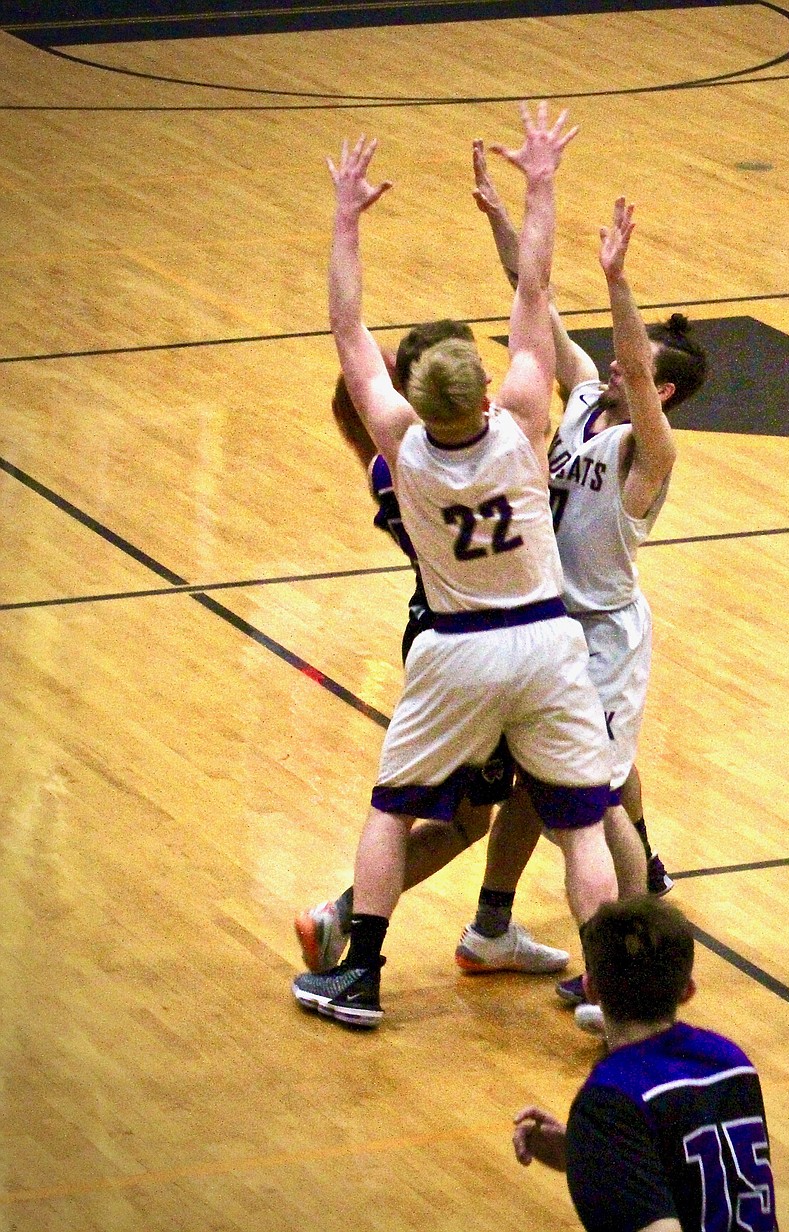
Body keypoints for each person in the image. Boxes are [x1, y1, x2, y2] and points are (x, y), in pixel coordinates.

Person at [292, 102, 618, 1028]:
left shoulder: (398, 448)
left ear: (412, 399)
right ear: (486, 388)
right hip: (548, 638)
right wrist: (540, 183)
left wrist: (348, 217)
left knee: (394, 809)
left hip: (458, 646)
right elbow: (536, 293)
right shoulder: (523, 418)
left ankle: (358, 977)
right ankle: (604, 986)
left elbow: (348, 330)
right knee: (580, 825)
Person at [470, 148, 709, 1031]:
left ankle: (630, 970)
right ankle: (501, 927)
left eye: (632, 359)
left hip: (604, 635)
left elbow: (635, 368)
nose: (614, 362)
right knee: (565, 787)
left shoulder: (651, 451)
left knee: (595, 800)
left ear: (664, 387)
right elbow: (531, 298)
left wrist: (619, 278)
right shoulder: (578, 402)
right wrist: (503, 216)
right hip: (550, 626)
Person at [293, 321, 562, 979]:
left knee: (477, 811)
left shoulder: (395, 467)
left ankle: (472, 924)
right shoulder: (468, 459)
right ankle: (358, 919)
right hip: (485, 638)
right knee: (502, 799)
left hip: (441, 631)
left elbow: (355, 391)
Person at [512, 896, 776, 1232]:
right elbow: (705, 1171)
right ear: (687, 991)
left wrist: (600, 1139)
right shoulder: (731, 1062)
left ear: (591, 989)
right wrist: (583, 1152)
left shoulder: (611, 1100)